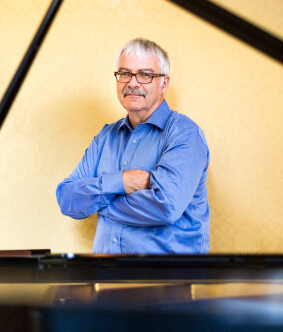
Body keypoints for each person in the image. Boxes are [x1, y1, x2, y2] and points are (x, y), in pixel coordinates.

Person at [56, 38, 210, 254]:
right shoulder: (106, 136)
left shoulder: (184, 134)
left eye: (145, 75)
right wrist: (122, 181)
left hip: (164, 281)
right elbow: (67, 198)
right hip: (106, 276)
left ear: (164, 83)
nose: (132, 83)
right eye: (125, 73)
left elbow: (165, 207)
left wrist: (98, 201)